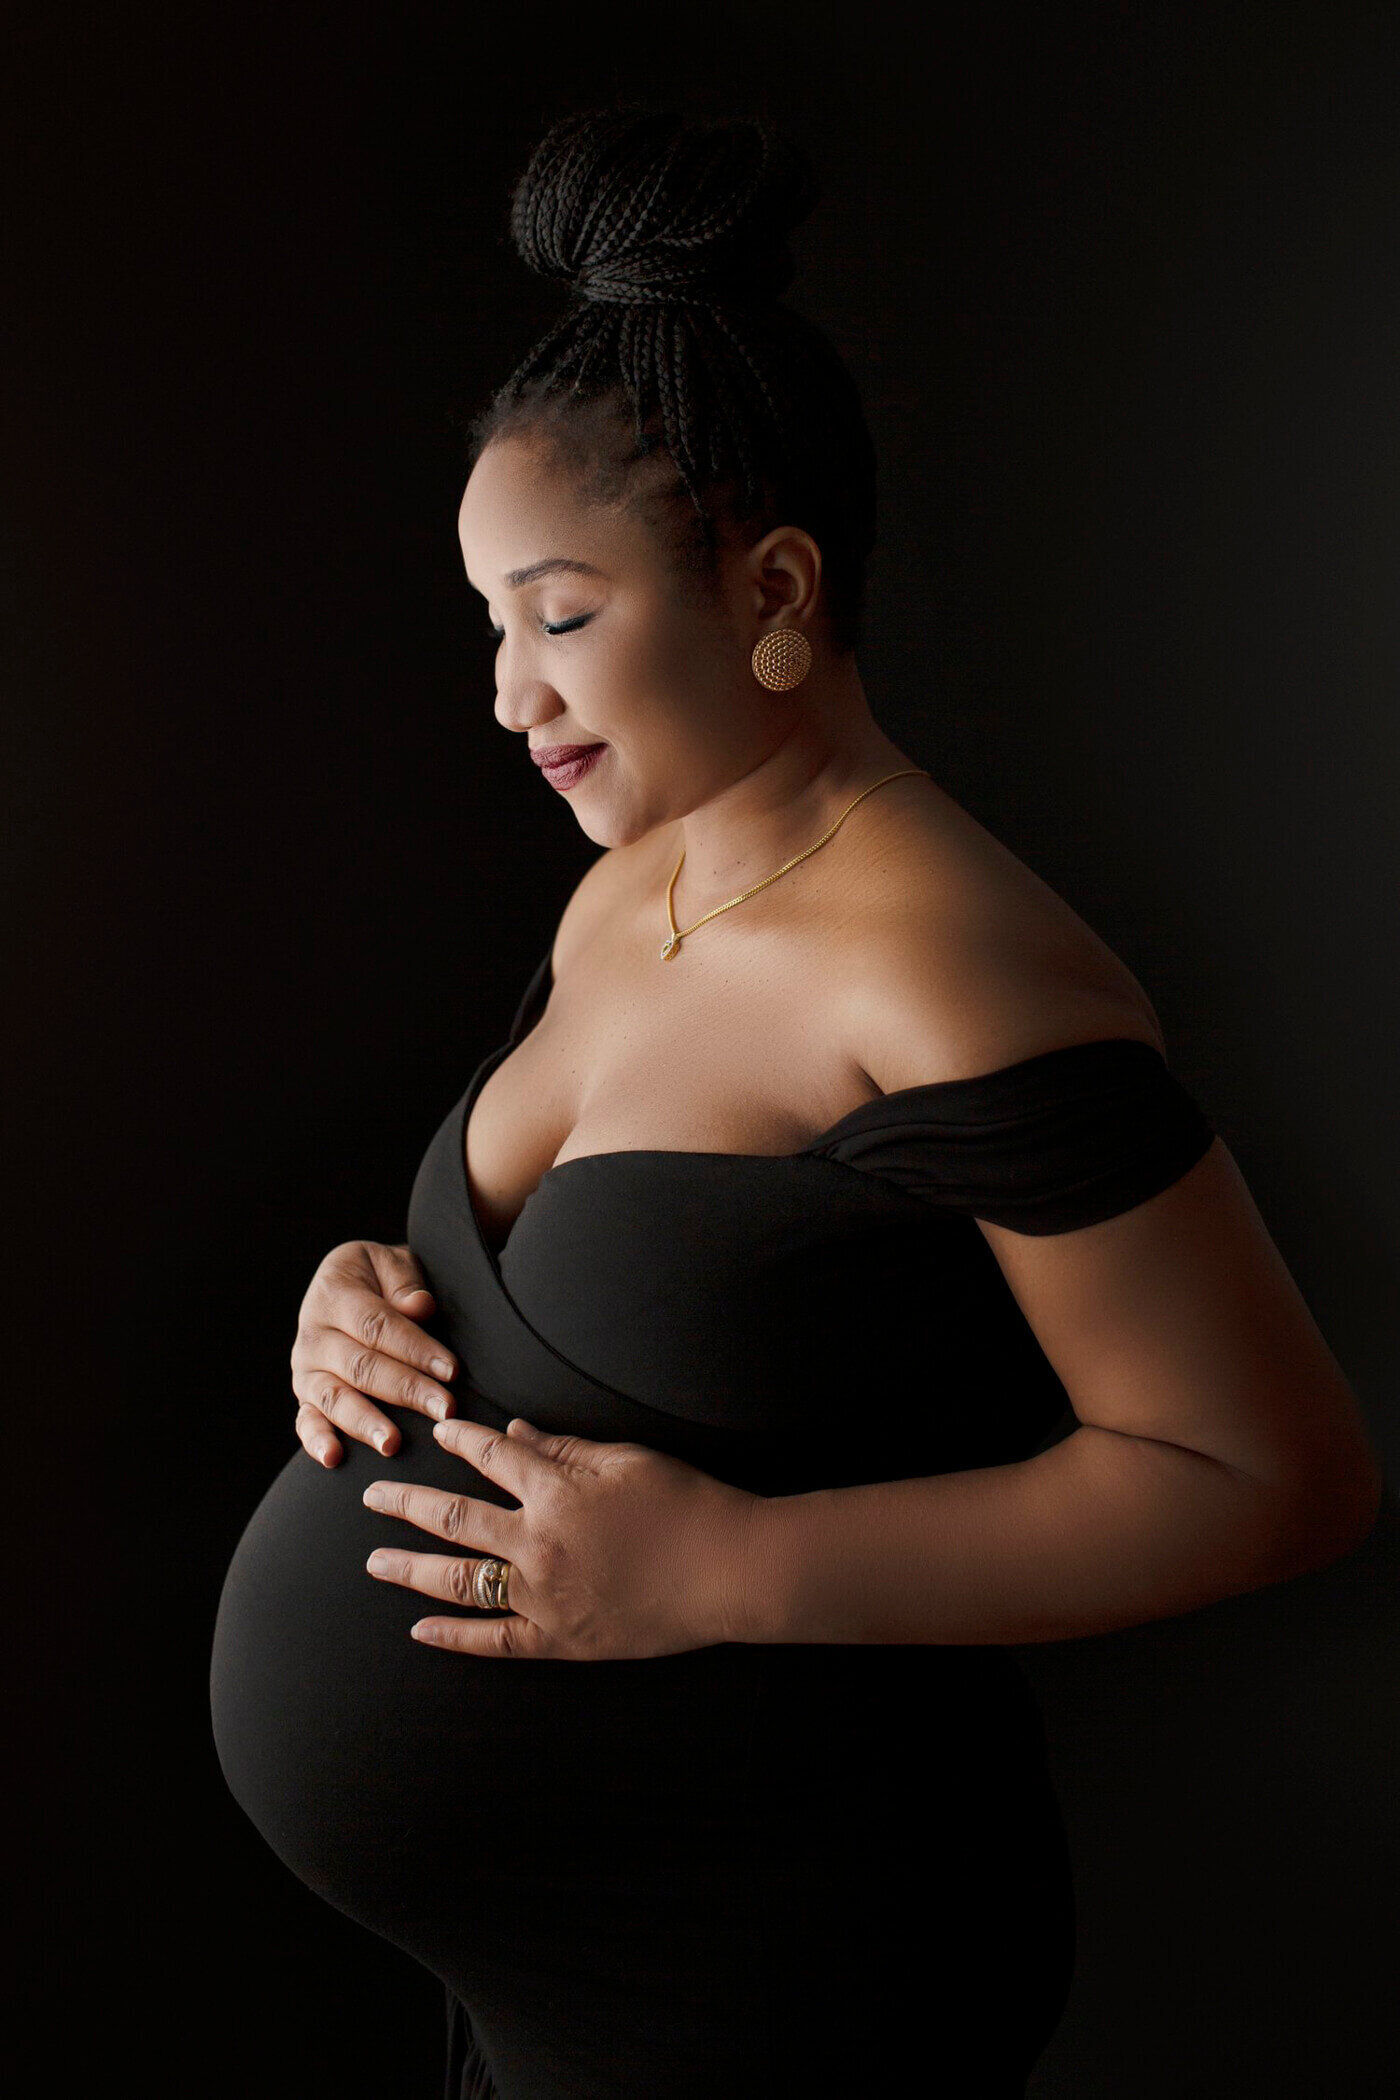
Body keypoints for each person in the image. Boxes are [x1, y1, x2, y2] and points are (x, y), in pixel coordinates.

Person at [209, 106, 1382, 2099]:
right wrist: (370, 1290)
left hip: (774, 1965)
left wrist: (717, 1575)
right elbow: (608, 1274)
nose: (509, 691)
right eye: (489, 619)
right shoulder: (622, 886)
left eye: (561, 615)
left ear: (768, 587)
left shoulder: (948, 968)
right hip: (544, 1986)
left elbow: (1269, 1478)